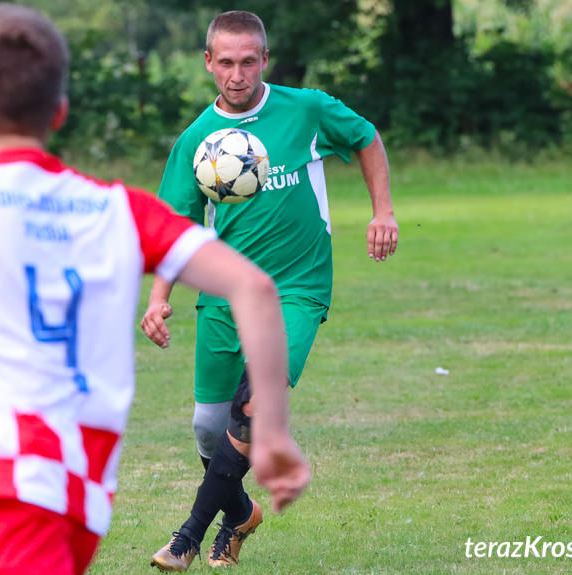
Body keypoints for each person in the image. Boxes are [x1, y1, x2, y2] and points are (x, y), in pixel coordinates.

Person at [0, 4, 309, 575]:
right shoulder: (118, 210)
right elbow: (254, 287)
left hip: (5, 487)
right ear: (60, 112)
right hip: (80, 498)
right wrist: (271, 434)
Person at [142, 10, 398, 572]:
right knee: (210, 429)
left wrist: (383, 211)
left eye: (249, 61)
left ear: (265, 59)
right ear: (209, 63)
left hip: (298, 289)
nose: (238, 74)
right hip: (225, 295)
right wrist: (159, 296)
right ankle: (241, 515)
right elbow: (174, 228)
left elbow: (366, 138)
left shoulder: (305, 109)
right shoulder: (195, 141)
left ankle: (186, 536)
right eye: (226, 62)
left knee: (254, 403)